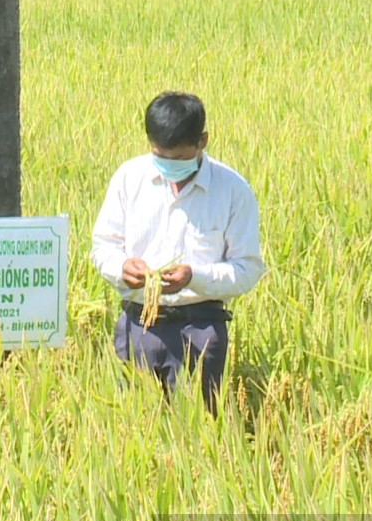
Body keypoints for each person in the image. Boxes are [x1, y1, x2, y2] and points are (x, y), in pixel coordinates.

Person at [90, 91, 266, 413]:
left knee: (203, 429)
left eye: (179, 159)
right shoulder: (130, 179)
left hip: (201, 330)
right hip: (139, 324)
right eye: (161, 157)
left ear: (203, 141)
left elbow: (247, 268)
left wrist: (194, 277)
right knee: (134, 426)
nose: (169, 166)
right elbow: (104, 246)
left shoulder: (233, 191)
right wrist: (121, 267)